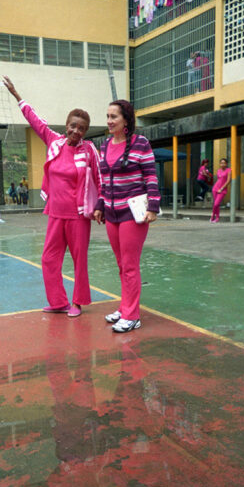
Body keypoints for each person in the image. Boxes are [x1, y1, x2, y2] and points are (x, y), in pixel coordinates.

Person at [3, 74, 100, 318]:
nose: (76, 130)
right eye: (73, 125)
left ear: (86, 131)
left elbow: (100, 180)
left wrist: (101, 206)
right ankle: (58, 301)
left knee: (79, 261)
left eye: (81, 128)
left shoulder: (90, 151)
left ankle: (77, 303)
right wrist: (17, 95)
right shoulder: (54, 141)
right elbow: (35, 121)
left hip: (79, 217)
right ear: (66, 125)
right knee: (49, 259)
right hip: (55, 213)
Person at [93, 99, 161, 333]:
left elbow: (151, 176)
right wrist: (100, 204)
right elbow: (103, 181)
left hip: (133, 213)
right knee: (121, 264)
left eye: (114, 117)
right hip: (111, 212)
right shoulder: (104, 145)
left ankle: (132, 316)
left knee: (130, 265)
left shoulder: (140, 143)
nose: (109, 121)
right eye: (108, 116)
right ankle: (125, 307)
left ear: (126, 120)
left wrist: (153, 205)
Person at [211, 158, 231, 223]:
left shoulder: (229, 170)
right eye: (221, 163)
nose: (223, 164)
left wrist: (221, 188)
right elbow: (218, 180)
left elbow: (228, 181)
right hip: (215, 188)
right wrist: (216, 188)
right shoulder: (218, 170)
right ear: (220, 164)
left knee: (216, 204)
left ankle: (213, 216)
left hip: (222, 190)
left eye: (224, 163)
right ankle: (216, 217)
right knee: (216, 204)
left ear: (226, 164)